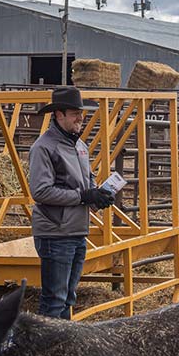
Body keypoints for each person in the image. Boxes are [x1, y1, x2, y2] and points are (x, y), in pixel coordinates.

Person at [27, 86, 114, 319]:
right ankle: (43, 350)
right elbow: (41, 191)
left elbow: (87, 183)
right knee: (54, 300)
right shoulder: (44, 147)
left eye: (81, 113)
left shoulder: (79, 146)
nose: (80, 118)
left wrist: (98, 197)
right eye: (75, 113)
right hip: (55, 232)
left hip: (75, 229)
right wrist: (83, 196)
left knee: (67, 297)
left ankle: (61, 349)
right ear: (58, 115)